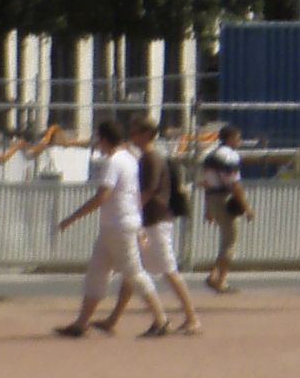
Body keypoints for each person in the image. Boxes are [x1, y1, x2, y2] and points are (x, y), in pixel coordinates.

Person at [54, 118, 168, 339]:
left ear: (103, 140)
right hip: (116, 226)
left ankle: (161, 319)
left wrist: (72, 218)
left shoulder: (114, 162)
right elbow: (133, 194)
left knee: (134, 272)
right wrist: (139, 224)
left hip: (120, 226)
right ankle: (80, 324)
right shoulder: (129, 158)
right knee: (97, 273)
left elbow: (102, 197)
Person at [106, 121, 201, 337]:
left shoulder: (151, 158)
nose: (131, 136)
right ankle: (113, 319)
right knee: (132, 271)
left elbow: (147, 191)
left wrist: (133, 213)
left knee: (168, 269)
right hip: (151, 220)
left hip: (154, 221)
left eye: (134, 132)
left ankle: (192, 318)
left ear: (146, 134)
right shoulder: (148, 157)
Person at [200, 126, 247, 295]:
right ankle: (218, 279)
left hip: (213, 199)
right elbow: (234, 183)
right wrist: (246, 207)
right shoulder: (230, 156)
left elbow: (206, 183)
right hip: (225, 199)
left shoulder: (210, 156)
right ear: (230, 138)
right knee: (229, 242)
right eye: (238, 137)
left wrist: (208, 209)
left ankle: (218, 278)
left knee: (226, 240)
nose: (239, 141)